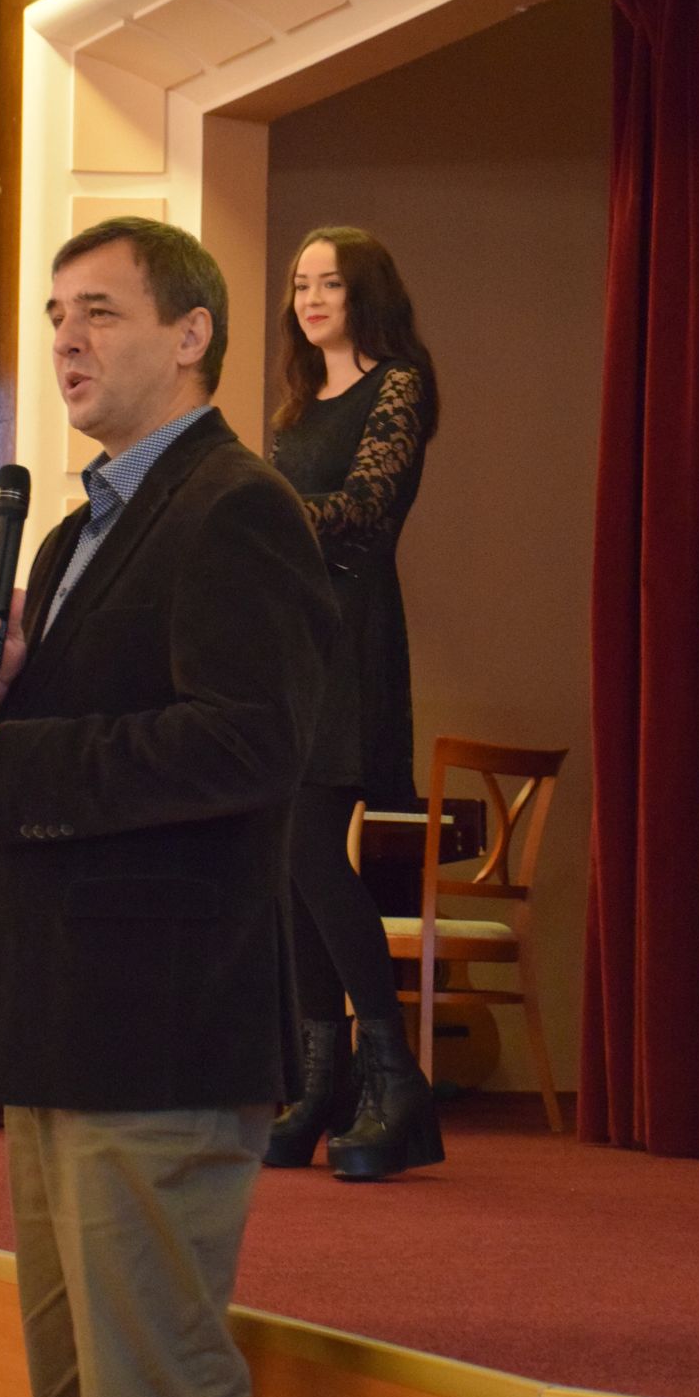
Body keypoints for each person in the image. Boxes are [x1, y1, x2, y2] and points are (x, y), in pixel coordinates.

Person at [0, 217, 337, 1397]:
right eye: (56, 316)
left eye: (98, 312)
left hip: (158, 1029)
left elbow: (251, 743)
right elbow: (123, 728)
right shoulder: (68, 534)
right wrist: (7, 699)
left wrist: (16, 759)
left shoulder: (237, 506)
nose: (65, 341)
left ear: (191, 334)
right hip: (60, 1021)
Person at [263, 226, 445, 1183]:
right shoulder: (298, 406)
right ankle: (322, 1084)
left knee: (305, 845)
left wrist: (257, 511)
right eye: (301, 284)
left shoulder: (398, 385)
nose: (310, 298)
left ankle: (392, 1075)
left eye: (328, 283)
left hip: (351, 634)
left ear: (364, 291)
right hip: (291, 637)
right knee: (286, 859)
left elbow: (367, 505)